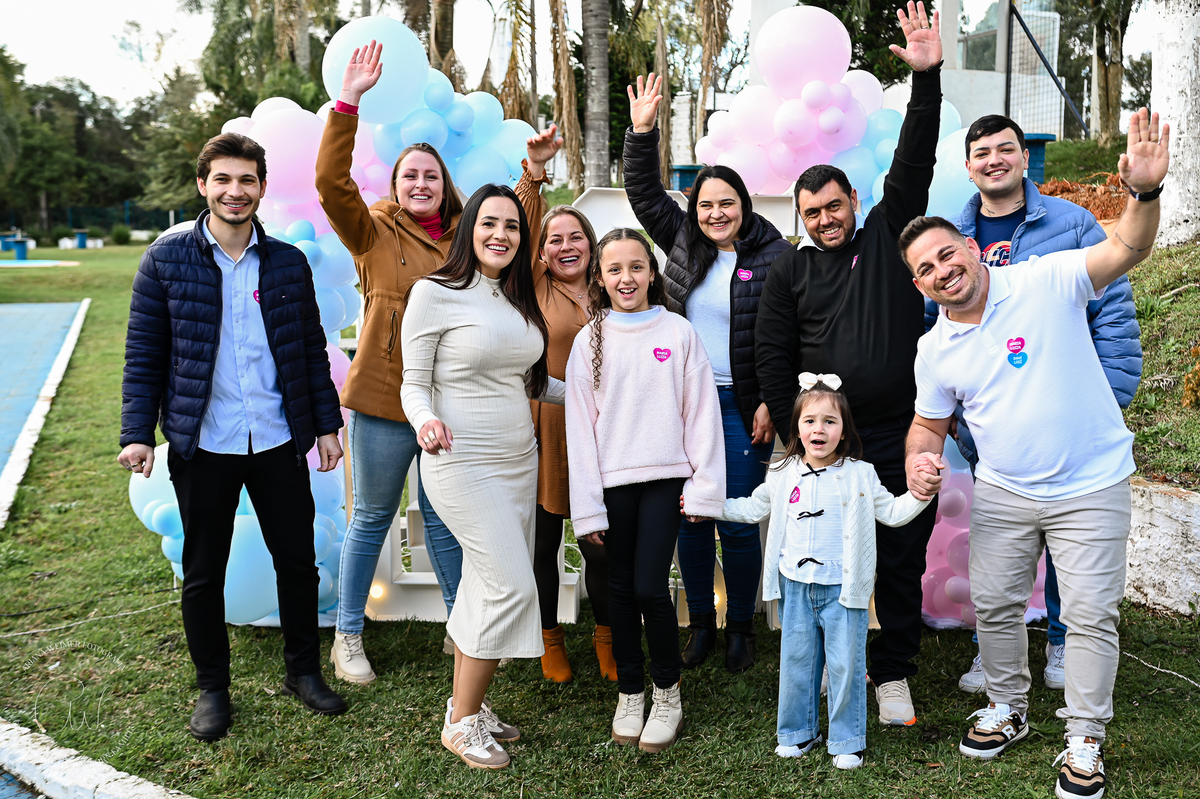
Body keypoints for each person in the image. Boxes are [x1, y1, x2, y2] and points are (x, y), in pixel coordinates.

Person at [902, 107, 1169, 799]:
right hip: (1004, 489)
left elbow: (1126, 249)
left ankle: (1084, 737)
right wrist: (919, 457)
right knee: (994, 605)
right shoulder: (934, 349)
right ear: (919, 285)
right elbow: (927, 423)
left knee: (1087, 615)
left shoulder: (1046, 277)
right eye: (926, 269)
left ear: (970, 246)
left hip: (1091, 483)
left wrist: (1143, 192)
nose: (942, 271)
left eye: (946, 254)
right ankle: (1007, 706)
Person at [316, 40, 552, 684]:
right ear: (394, 187)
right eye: (409, 176)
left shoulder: (466, 243)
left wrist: (532, 178)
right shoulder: (373, 230)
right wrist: (348, 103)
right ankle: (348, 634)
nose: (421, 184)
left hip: (454, 406)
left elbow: (514, 228)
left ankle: (460, 625)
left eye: (431, 175)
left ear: (445, 186)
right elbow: (331, 186)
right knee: (373, 516)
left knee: (447, 522)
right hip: (385, 399)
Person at [118, 132, 347, 742]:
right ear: (203, 185)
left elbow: (310, 351)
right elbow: (144, 354)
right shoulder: (166, 260)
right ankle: (213, 688)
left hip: (277, 439)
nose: (235, 191)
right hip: (204, 443)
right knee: (203, 571)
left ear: (262, 187)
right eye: (222, 179)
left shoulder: (288, 263)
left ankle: (303, 672)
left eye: (247, 180)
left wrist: (326, 424)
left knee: (297, 563)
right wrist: (137, 433)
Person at [754, 0, 942, 727]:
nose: (826, 220)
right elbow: (773, 354)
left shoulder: (889, 234)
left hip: (898, 431)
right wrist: (797, 438)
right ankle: (835, 666)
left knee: (899, 555)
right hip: (825, 447)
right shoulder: (790, 270)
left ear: (853, 200)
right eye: (813, 213)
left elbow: (916, 157)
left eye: (834, 207)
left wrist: (925, 78)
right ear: (800, 218)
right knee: (826, 562)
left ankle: (892, 671)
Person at [940, 114, 1143, 696]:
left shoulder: (1070, 223)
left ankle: (1061, 638)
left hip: (1072, 423)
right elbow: (937, 327)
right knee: (1000, 547)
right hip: (992, 427)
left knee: (1067, 541)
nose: (995, 160)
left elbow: (1113, 313)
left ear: (1024, 157)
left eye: (1006, 149)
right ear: (968, 166)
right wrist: (958, 419)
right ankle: (993, 650)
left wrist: (1104, 399)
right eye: (982, 152)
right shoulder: (954, 236)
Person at [623, 73, 790, 673]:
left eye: (727, 203)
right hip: (682, 404)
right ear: (694, 209)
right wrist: (642, 132)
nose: (716, 213)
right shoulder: (682, 241)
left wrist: (772, 399)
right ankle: (700, 624)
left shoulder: (777, 256)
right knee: (690, 519)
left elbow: (787, 337)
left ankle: (740, 627)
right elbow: (644, 193)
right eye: (706, 204)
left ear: (744, 206)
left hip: (744, 406)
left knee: (737, 523)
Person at [401, 183, 564, 770]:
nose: (501, 234)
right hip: (460, 461)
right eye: (489, 222)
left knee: (481, 586)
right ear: (469, 227)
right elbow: (413, 383)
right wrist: (425, 420)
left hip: (518, 461)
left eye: (513, 226)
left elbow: (530, 380)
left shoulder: (516, 298)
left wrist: (598, 393)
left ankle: (468, 706)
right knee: (511, 587)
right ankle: (460, 724)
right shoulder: (434, 293)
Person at [717, 375, 940, 769]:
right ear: (797, 429)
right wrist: (708, 507)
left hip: (843, 589)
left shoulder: (860, 473)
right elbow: (752, 508)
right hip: (795, 585)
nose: (818, 429)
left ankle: (846, 739)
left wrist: (922, 493)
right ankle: (797, 733)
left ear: (844, 430)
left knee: (845, 665)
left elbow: (892, 513)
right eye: (809, 421)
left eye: (829, 421)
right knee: (797, 662)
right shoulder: (782, 473)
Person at [565, 228, 725, 753]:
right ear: (600, 278)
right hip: (612, 484)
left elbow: (701, 413)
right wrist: (587, 508)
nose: (626, 278)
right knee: (619, 589)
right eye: (614, 269)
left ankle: (667, 692)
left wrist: (703, 487)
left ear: (652, 273)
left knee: (651, 588)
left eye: (636, 267)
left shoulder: (677, 332)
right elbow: (580, 430)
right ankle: (630, 692)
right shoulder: (589, 340)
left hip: (664, 478)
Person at [521, 182, 616, 683]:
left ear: (591, 244)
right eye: (554, 239)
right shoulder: (534, 286)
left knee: (601, 542)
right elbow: (520, 227)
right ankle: (549, 639)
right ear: (541, 252)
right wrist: (533, 178)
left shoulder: (610, 288)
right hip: (549, 427)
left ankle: (607, 637)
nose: (566, 246)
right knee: (544, 544)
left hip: (606, 431)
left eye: (575, 236)